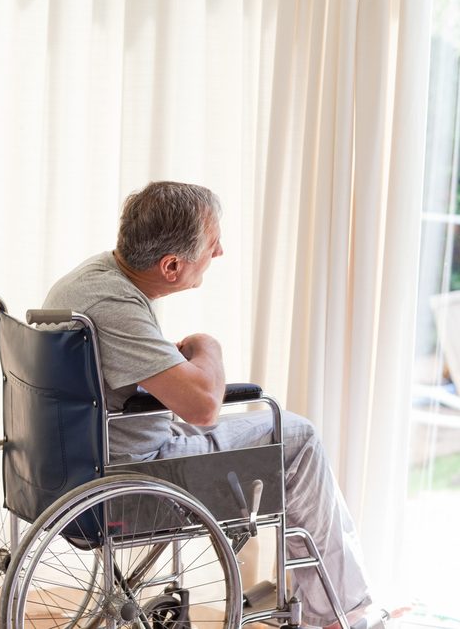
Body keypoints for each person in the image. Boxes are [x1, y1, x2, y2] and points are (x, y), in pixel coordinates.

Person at [42, 181, 394, 629]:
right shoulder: (114, 306)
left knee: (283, 432)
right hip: (134, 473)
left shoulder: (89, 278)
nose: (221, 252)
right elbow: (204, 408)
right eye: (213, 244)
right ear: (171, 265)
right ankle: (340, 614)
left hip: (73, 462)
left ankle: (333, 602)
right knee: (297, 435)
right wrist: (209, 346)